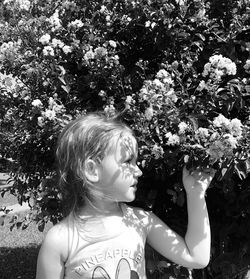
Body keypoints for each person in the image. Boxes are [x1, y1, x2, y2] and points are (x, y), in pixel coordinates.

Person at [36, 112, 215, 279]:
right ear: (91, 170)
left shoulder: (140, 221)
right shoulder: (60, 240)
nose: (138, 171)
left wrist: (195, 193)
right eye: (128, 161)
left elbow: (196, 257)